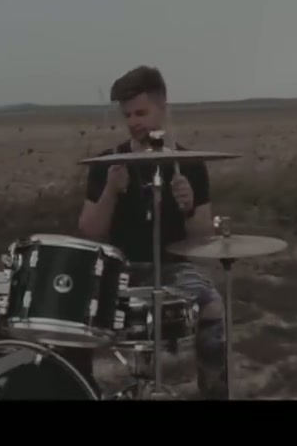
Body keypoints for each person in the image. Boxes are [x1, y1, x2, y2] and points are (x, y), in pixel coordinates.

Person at [71, 64, 228, 399]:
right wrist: (111, 191)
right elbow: (89, 232)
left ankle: (215, 392)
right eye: (127, 115)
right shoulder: (107, 163)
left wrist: (188, 206)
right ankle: (84, 391)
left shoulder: (189, 164)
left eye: (141, 113)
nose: (133, 122)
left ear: (162, 108)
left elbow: (203, 236)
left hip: (174, 268)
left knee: (212, 306)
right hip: (120, 269)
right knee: (73, 312)